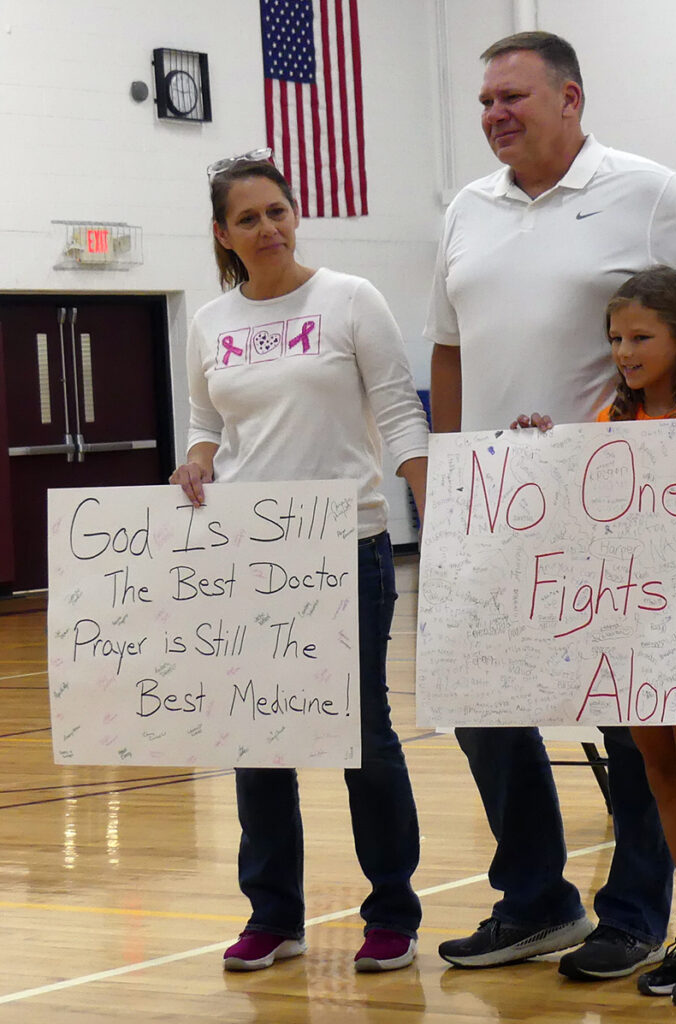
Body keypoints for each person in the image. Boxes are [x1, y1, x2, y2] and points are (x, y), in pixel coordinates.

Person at [425, 31, 676, 981]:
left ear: (570, 98)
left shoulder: (652, 193)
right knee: (478, 702)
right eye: (485, 101)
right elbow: (446, 347)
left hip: (617, 508)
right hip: (494, 503)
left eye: (511, 96)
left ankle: (633, 914)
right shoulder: (465, 209)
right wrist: (449, 467)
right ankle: (535, 902)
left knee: (627, 718)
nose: (494, 114)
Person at [171, 153, 429, 975]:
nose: (267, 229)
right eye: (247, 219)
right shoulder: (210, 321)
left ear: (295, 214)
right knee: (257, 738)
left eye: (276, 211)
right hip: (247, 555)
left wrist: (437, 507)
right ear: (223, 234)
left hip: (347, 544)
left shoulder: (351, 299)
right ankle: (273, 915)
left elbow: (398, 411)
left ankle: (391, 911)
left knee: (364, 735)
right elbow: (204, 420)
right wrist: (196, 460)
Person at [513, 265, 676, 1006]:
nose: (623, 352)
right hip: (630, 625)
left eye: (639, 337)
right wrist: (539, 451)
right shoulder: (608, 420)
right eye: (615, 338)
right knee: (658, 775)